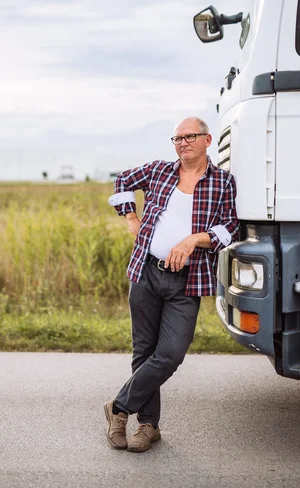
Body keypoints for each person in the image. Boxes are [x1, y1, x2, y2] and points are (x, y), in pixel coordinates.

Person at [104, 116, 239, 453]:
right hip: (146, 271)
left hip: (186, 280)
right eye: (177, 138)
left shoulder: (222, 182)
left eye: (189, 137)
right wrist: (132, 218)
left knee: (171, 353)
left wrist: (194, 239)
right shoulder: (159, 170)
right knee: (144, 352)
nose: (182, 143)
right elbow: (122, 181)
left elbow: (229, 229)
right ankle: (148, 426)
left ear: (208, 140)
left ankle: (118, 407)